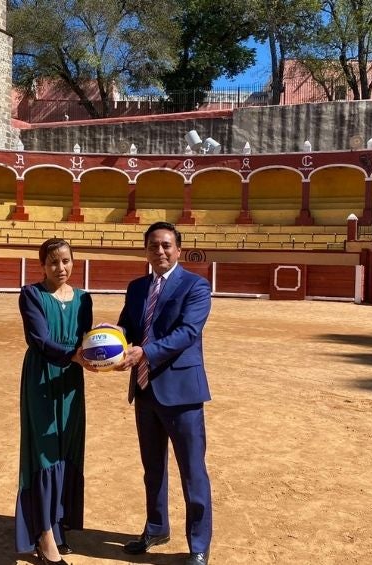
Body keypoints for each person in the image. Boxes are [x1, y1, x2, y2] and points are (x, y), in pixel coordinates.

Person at [115, 221, 213, 565]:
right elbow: (127, 324)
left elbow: (188, 332)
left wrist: (146, 352)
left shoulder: (196, 286)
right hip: (144, 389)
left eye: (166, 245)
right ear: (146, 250)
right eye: (154, 245)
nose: (160, 251)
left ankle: (198, 545)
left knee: (192, 470)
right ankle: (156, 528)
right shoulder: (137, 286)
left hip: (182, 392)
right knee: (152, 467)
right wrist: (112, 342)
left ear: (178, 249)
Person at [15, 238, 93, 565]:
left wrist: (105, 354)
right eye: (52, 262)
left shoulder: (85, 299)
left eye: (65, 261)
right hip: (42, 378)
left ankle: (59, 524)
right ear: (42, 265)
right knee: (45, 452)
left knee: (68, 447)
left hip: (71, 382)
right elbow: (39, 339)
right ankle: (44, 535)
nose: (60, 268)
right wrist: (75, 355)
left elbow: (88, 340)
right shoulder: (31, 295)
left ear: (73, 262)